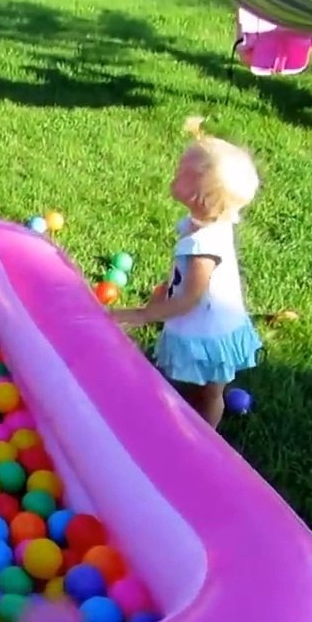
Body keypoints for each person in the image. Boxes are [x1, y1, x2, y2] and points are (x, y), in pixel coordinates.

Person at [111, 117, 263, 428]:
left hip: (209, 331)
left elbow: (189, 299)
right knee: (201, 385)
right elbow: (191, 284)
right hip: (210, 320)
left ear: (199, 196)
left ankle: (205, 439)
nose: (176, 169)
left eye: (183, 171)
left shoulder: (202, 245)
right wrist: (169, 286)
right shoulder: (204, 223)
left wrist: (143, 314)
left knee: (208, 393)